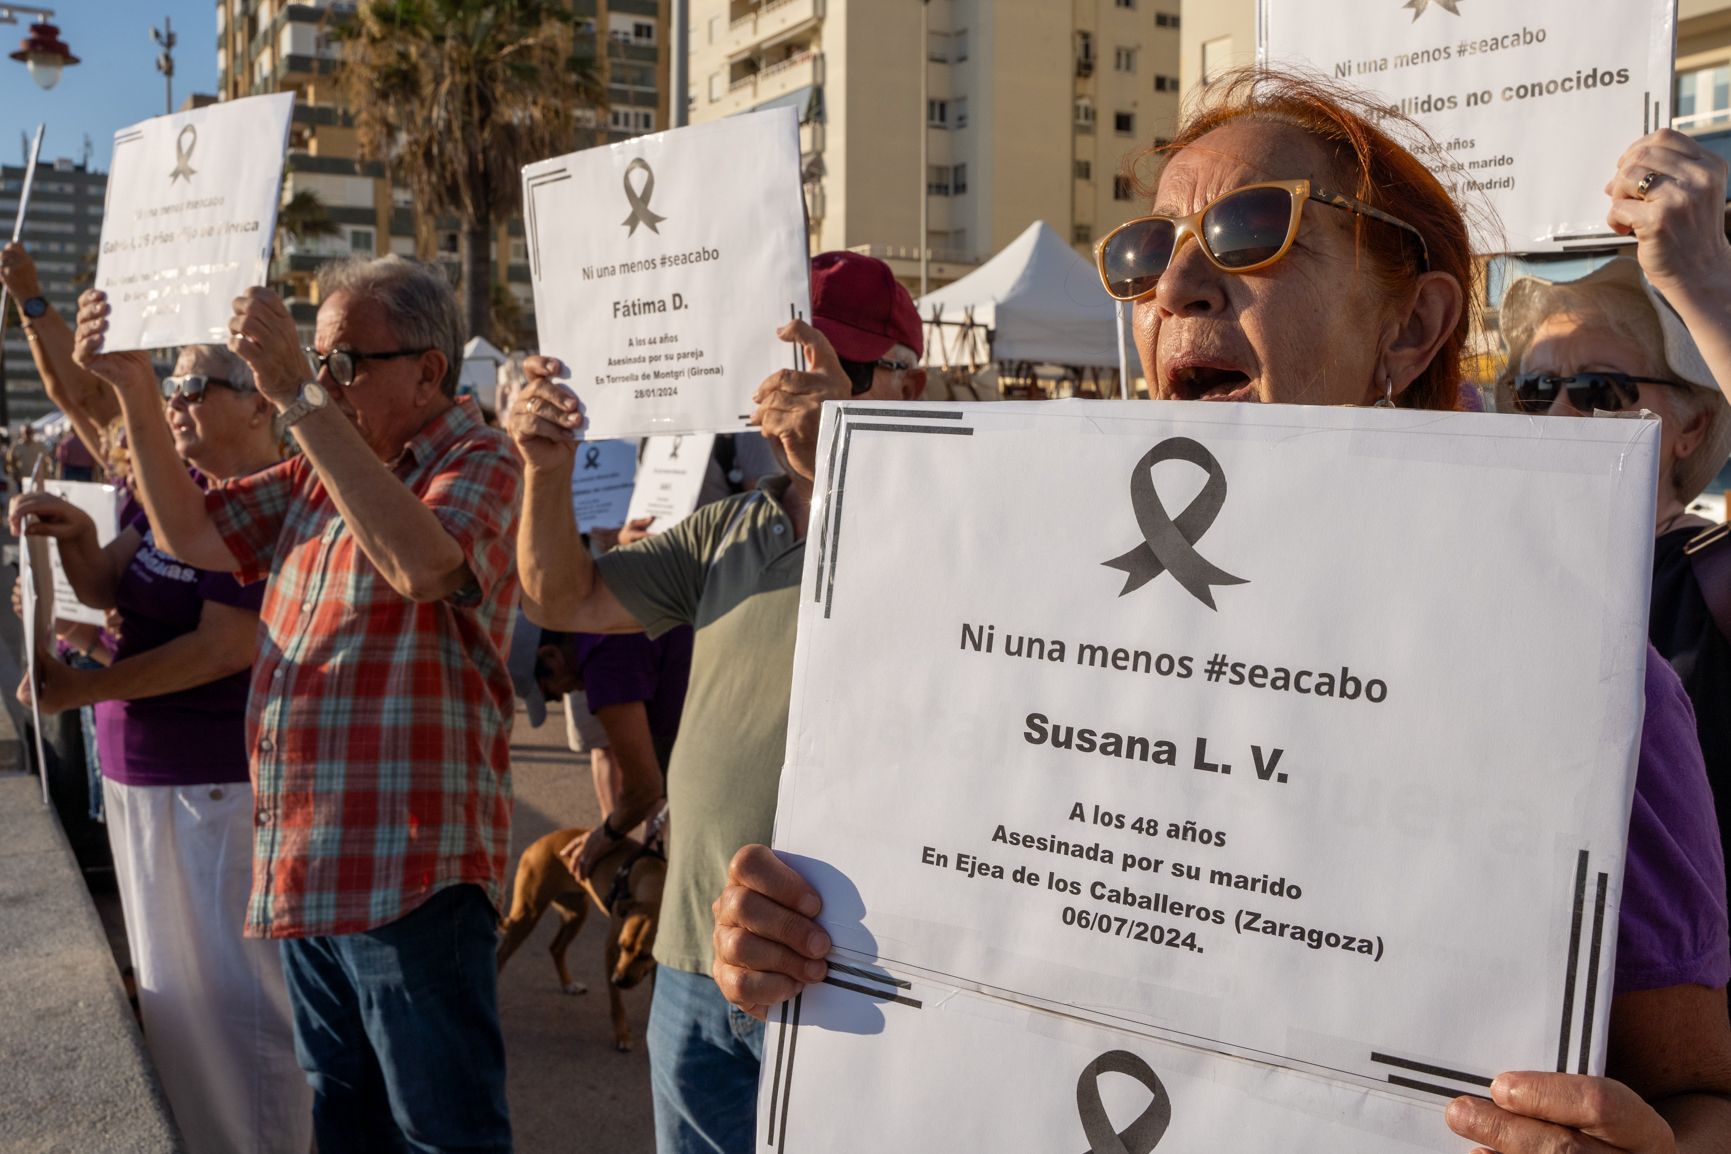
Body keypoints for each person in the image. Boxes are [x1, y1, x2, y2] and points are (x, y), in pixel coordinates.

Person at [708, 69, 1731, 1154]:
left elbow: (1701, 1095)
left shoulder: (1579, 677)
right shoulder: (986, 620)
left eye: (1254, 230)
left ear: (1412, 326)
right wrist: (801, 943)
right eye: (1147, 252)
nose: (1178, 284)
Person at [72, 254, 522, 1154]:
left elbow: (422, 564)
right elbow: (191, 533)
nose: (321, 382)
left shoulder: (480, 457)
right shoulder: (327, 463)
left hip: (410, 872)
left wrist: (295, 397)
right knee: (346, 1119)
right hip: (311, 862)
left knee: (440, 1132)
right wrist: (128, 385)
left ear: (429, 370)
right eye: (316, 362)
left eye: (344, 361)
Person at [510, 250, 927, 1154]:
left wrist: (852, 467)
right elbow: (561, 597)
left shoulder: (941, 521)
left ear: (912, 383)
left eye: (840, 369)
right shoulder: (732, 523)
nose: (801, 389)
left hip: (846, 972)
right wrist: (547, 469)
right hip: (695, 954)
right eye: (787, 367)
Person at [10, 344, 309, 1154]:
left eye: (191, 385)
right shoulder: (164, 490)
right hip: (148, 780)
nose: (175, 401)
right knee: (176, 1005)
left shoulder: (265, 502)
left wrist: (78, 689)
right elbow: (109, 585)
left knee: (238, 1012)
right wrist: (71, 536)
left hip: (216, 786)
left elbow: (224, 648)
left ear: (259, 404)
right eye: (168, 384)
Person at [1498, 129, 1731, 954]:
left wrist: (1702, 285)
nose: (1559, 415)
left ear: (1690, 425)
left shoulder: (1711, 574)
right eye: (1533, 390)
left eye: (1599, 390)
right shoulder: (1499, 576)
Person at [7, 420, 48, 489]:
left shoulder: (39, 446)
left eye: (29, 433)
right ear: (22, 433)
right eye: (26, 433)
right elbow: (10, 462)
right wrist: (15, 474)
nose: (28, 435)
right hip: (22, 479)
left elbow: (45, 460)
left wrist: (45, 474)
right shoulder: (16, 446)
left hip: (36, 479)